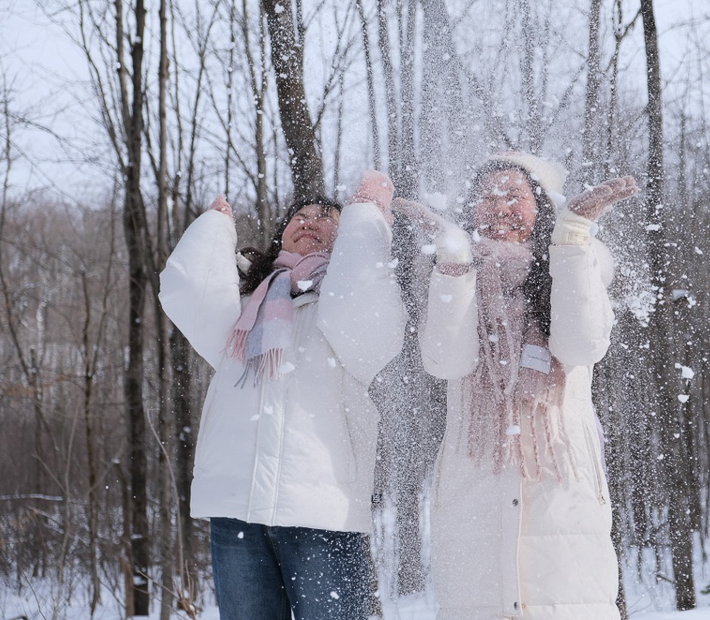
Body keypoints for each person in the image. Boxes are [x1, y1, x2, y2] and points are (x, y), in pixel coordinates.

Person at [393, 152, 638, 620]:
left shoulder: (575, 268)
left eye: (514, 195)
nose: (499, 205)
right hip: (474, 486)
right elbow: (446, 360)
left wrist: (570, 239)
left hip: (560, 488)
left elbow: (582, 345)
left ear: (541, 209)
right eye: (486, 195)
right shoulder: (450, 275)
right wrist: (452, 261)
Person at [159, 171, 407, 620]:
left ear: (345, 236)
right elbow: (185, 292)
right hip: (237, 511)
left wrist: (367, 219)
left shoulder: (346, 301)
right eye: (300, 215)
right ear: (281, 235)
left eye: (328, 217)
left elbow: (369, 322)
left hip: (321, 511)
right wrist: (213, 231)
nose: (309, 220)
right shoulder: (243, 307)